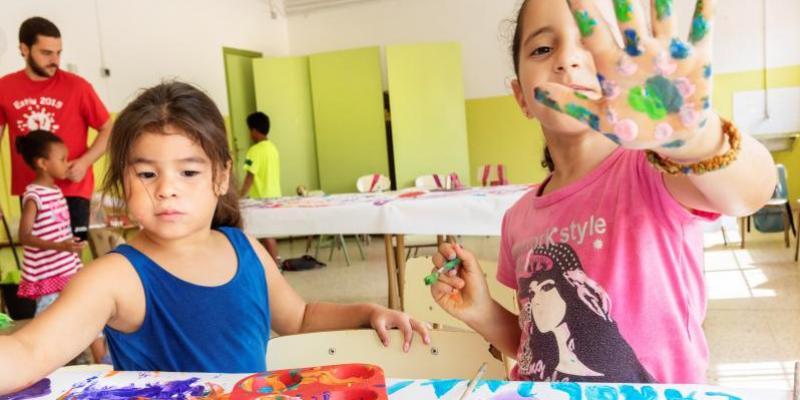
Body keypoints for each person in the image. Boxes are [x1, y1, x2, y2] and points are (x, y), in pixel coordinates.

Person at [0, 82, 429, 394]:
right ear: (122, 182)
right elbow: (28, 351)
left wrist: (367, 310)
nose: (166, 188)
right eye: (147, 173)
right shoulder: (115, 277)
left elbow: (299, 317)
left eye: (188, 172)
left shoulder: (244, 249)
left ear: (221, 175)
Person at [430, 0, 775, 384]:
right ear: (521, 97)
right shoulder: (519, 217)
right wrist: (481, 311)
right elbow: (536, 340)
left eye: (592, 46)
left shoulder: (655, 170)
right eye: (543, 49)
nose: (567, 61)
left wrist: (694, 139)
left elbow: (752, 191)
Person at [0, 16, 113, 241]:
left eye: (58, 52)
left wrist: (85, 162)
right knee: (42, 257)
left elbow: (108, 128)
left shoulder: (77, 87)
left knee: (72, 257)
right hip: (32, 190)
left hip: (73, 187)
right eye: (46, 53)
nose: (55, 60)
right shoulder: (4, 88)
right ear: (24, 48)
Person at [14, 130, 84, 315]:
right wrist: (60, 246)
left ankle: (103, 345)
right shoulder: (34, 196)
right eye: (62, 159)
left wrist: (71, 247)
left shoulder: (56, 191)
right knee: (51, 321)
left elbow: (61, 229)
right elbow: (24, 236)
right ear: (43, 163)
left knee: (84, 314)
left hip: (67, 267)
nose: (67, 164)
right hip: (49, 275)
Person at [239, 112, 281, 264]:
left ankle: (275, 267)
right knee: (270, 234)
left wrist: (240, 196)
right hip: (275, 196)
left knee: (266, 234)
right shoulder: (273, 148)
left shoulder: (254, 151)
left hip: (260, 199)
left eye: (249, 130)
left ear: (254, 130)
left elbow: (250, 177)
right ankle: (275, 264)